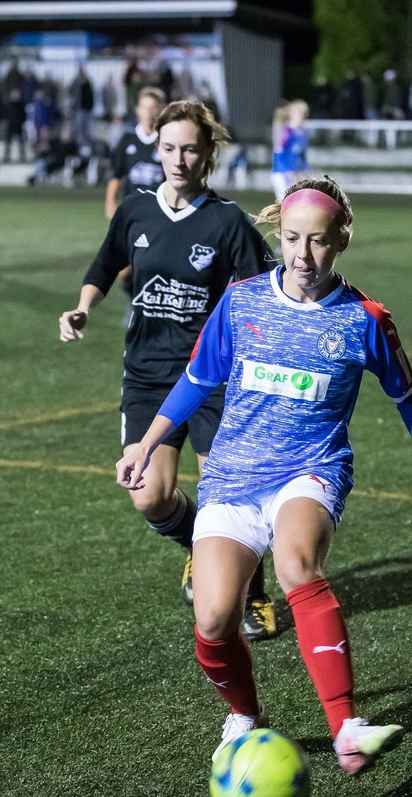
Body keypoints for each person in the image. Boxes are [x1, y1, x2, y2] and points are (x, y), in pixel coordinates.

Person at [114, 176, 412, 773]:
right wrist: (146, 444)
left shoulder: (365, 319)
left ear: (340, 242)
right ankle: (246, 716)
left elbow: (408, 395)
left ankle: (346, 725)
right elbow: (198, 379)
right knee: (215, 616)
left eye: (318, 242)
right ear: (278, 232)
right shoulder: (243, 301)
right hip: (232, 477)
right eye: (292, 238)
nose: (303, 255)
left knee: (297, 563)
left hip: (312, 469)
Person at [59, 99, 277, 642]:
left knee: (224, 491)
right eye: (169, 148)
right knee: (149, 496)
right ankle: (197, 546)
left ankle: (255, 593)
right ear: (157, 149)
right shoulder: (135, 210)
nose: (178, 159)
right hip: (148, 376)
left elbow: (264, 291)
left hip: (209, 378)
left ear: (208, 154)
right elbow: (105, 265)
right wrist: (84, 305)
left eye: (190, 149)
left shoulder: (226, 221)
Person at [105, 87, 166, 219]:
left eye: (152, 108)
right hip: (131, 208)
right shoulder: (127, 139)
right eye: (144, 107)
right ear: (137, 110)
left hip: (159, 210)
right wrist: (110, 202)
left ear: (160, 110)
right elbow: (116, 173)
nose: (148, 112)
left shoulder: (166, 141)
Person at [270, 100, 310, 201]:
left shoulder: (303, 133)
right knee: (283, 202)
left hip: (295, 174)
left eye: (303, 113)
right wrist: (286, 170)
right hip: (281, 173)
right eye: (298, 113)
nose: (301, 116)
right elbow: (278, 154)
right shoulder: (285, 132)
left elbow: (302, 156)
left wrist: (306, 172)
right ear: (291, 114)